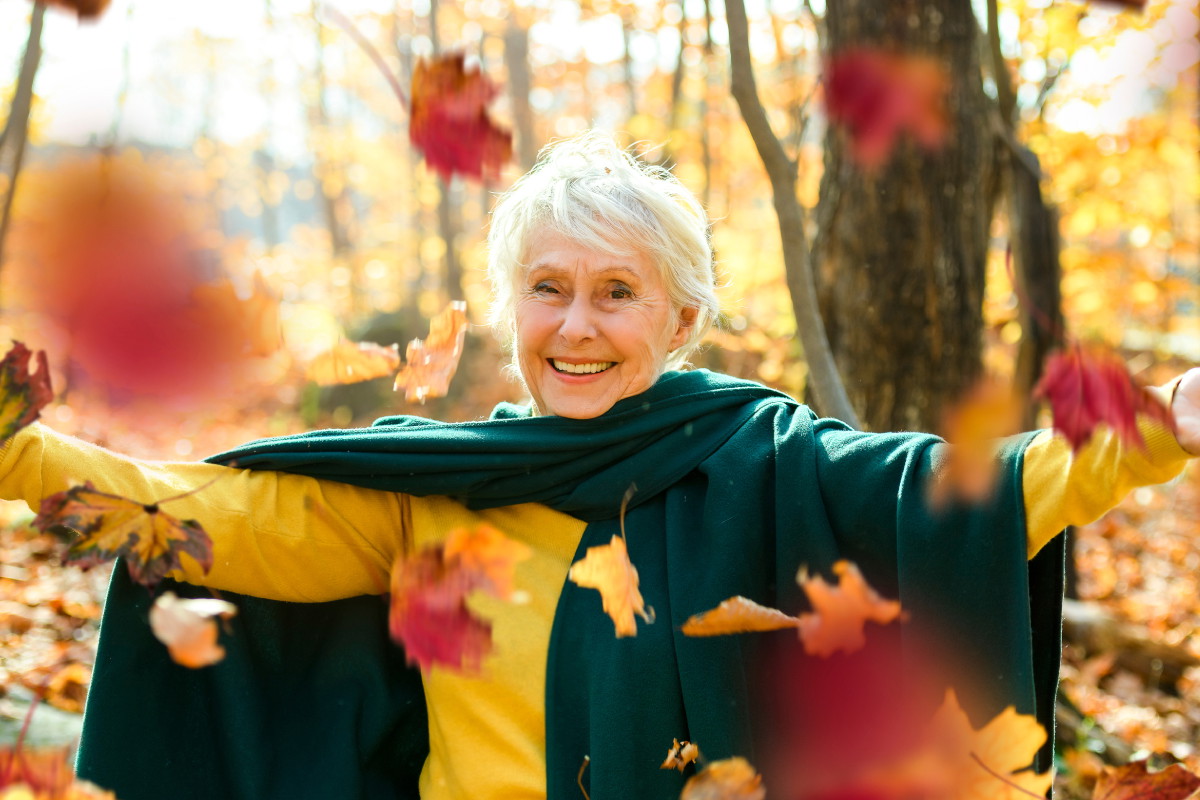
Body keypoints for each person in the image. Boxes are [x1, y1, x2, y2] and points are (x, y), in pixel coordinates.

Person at [1, 131, 1196, 800]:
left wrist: (1164, 427)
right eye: (549, 289)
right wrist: (23, 451)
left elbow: (980, 493)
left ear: (679, 322)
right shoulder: (436, 488)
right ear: (510, 302)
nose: (576, 327)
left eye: (617, 294)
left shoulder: (767, 461)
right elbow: (208, 520)